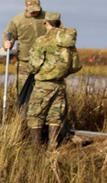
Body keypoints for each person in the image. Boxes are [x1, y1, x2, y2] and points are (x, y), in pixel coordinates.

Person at [26, 12, 81, 149]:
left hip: (43, 84)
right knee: (55, 116)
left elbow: (34, 64)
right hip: (60, 85)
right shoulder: (68, 42)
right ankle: (53, 147)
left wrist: (32, 70)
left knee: (35, 115)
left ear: (47, 23)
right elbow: (76, 65)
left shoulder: (43, 40)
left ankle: (36, 149)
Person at [2, 0, 48, 96]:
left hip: (45, 63)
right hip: (24, 63)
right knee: (22, 92)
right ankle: (21, 111)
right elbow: (8, 35)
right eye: (32, 9)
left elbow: (60, 32)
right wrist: (7, 43)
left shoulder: (48, 18)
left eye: (36, 9)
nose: (34, 12)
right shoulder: (17, 20)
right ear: (26, 6)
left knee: (42, 94)